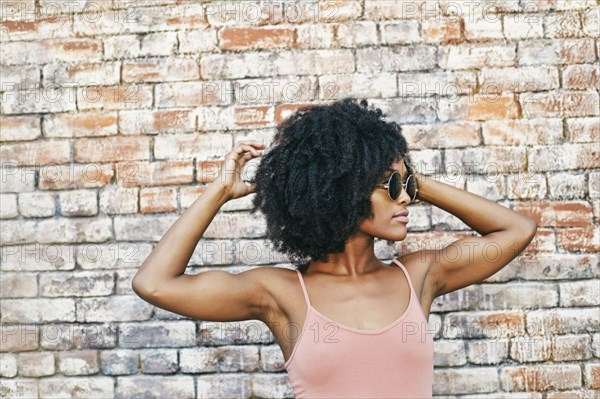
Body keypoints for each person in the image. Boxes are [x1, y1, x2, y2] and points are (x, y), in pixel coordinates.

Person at [132, 98, 538, 398]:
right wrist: (219, 192)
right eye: (392, 187)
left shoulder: (419, 276)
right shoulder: (281, 294)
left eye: (408, 187)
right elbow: (155, 284)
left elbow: (516, 230)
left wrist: (412, 177)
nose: (406, 199)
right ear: (342, 190)